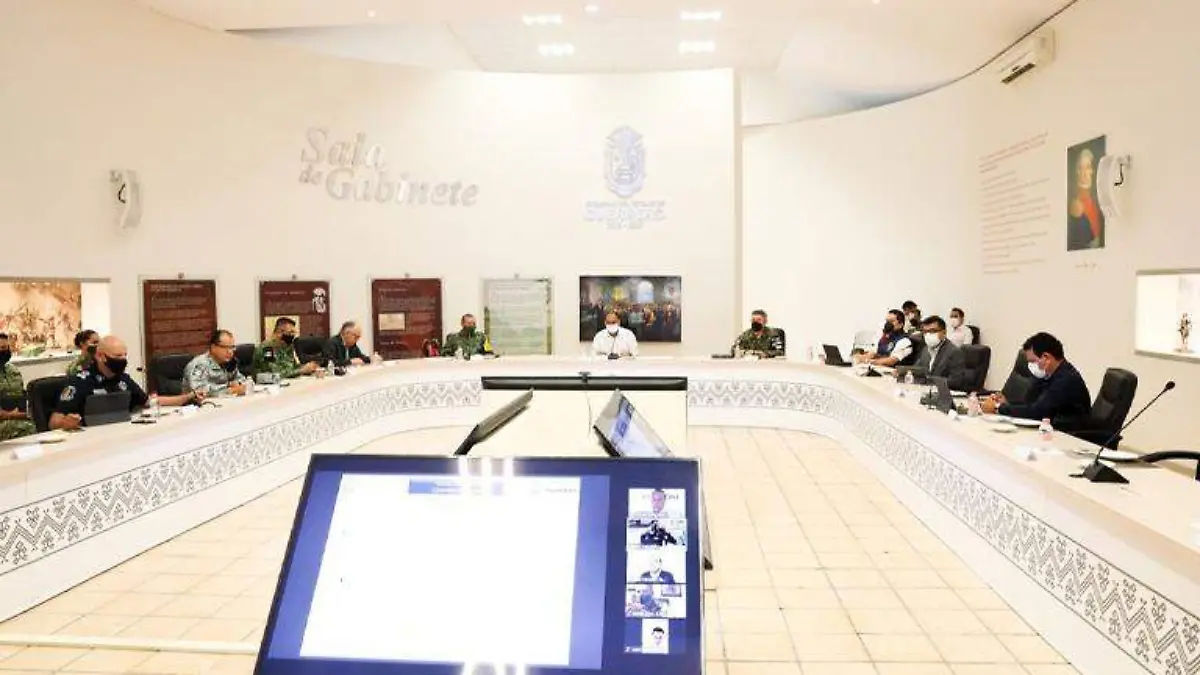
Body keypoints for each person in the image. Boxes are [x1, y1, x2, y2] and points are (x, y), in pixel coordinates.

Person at [50, 336, 198, 430]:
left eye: (124, 356)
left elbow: (149, 402)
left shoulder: (123, 379)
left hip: (121, 433)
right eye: (117, 356)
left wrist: (188, 397)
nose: (122, 360)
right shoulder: (80, 382)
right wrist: (66, 423)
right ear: (100, 356)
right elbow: (53, 421)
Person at [981, 332, 1092, 429]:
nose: (1030, 366)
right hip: (1049, 430)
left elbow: (1037, 412)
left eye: (1032, 361)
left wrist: (998, 408)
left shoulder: (1066, 379)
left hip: (1070, 435)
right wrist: (1007, 404)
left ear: (1046, 357)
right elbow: (1030, 404)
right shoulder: (1046, 375)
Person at [183, 329, 248, 398]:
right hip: (198, 403)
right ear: (213, 347)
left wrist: (237, 384)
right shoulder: (199, 365)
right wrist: (230, 389)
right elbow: (199, 391)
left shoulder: (230, 362)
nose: (230, 352)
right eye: (225, 347)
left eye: (232, 347)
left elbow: (242, 380)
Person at [912, 316, 969, 391]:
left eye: (933, 331)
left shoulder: (954, 352)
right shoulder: (925, 349)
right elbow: (916, 370)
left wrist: (929, 380)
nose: (928, 335)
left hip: (944, 393)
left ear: (944, 333)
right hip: (926, 391)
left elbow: (955, 382)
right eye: (925, 332)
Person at [253, 317, 321, 379]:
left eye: (294, 333)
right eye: (290, 332)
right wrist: (302, 371)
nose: (293, 336)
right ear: (280, 332)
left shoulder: (287, 346)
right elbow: (274, 374)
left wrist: (309, 367)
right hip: (268, 385)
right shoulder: (267, 348)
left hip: (287, 382)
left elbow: (293, 367)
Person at [0, 333, 36, 441]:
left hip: (20, 418)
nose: (3, 352)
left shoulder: (13, 370)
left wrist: (23, 414)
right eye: (1, 348)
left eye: (5, 348)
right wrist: (12, 415)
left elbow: (22, 398)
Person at [1068, 147, 1104, 250]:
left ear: (1092, 171)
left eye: (1087, 167)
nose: (1084, 172)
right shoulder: (1075, 205)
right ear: (1077, 171)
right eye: (1081, 168)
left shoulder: (1097, 201)